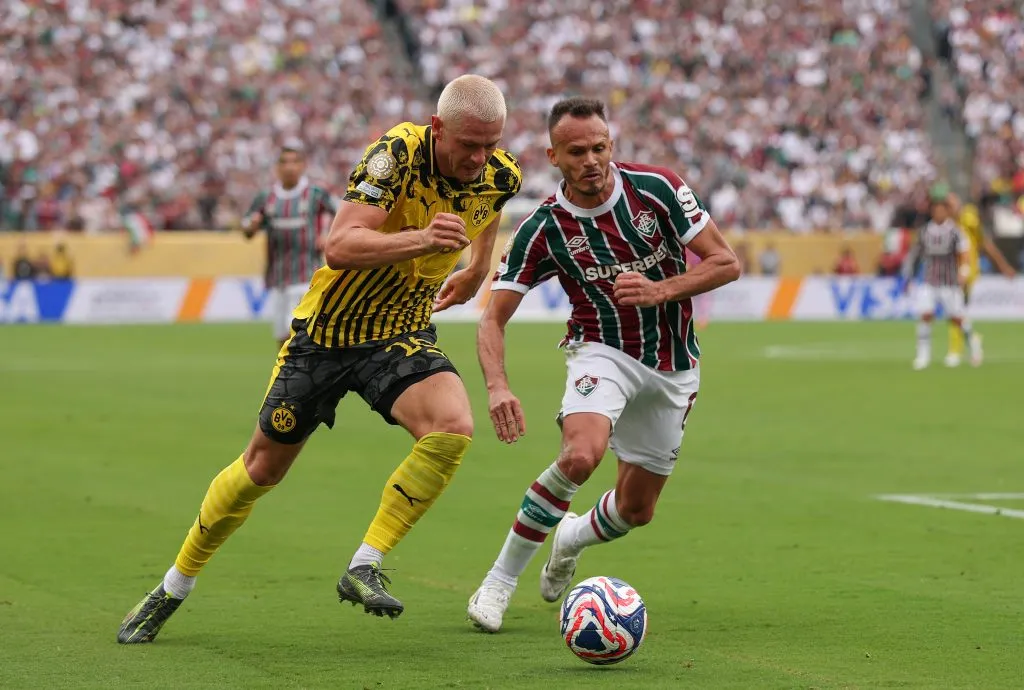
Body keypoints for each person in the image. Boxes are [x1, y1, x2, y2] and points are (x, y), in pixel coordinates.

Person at [117, 74, 522, 644]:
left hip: (399, 331)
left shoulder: (501, 173)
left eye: (490, 144)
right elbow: (340, 245)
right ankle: (172, 587)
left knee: (453, 425)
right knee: (261, 469)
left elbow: (491, 205)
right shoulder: (395, 156)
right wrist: (423, 241)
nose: (480, 159)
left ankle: (365, 562)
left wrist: (479, 265)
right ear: (437, 128)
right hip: (327, 334)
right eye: (468, 146)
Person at [465, 98, 740, 633]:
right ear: (554, 156)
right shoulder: (543, 228)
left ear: (610, 145)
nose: (591, 160)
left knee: (637, 510)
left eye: (599, 147)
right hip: (601, 350)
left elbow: (727, 262)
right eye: (577, 151)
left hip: (673, 364)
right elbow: (492, 319)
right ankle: (498, 582)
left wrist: (660, 289)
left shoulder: (657, 190)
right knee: (580, 457)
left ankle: (571, 536)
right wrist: (498, 386)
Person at [242, 140, 338, 348]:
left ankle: (300, 378)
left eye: (295, 161)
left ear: (303, 165)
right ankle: (288, 379)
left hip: (306, 275)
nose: (289, 167)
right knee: (281, 339)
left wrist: (327, 234)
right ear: (277, 167)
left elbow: (343, 213)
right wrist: (252, 226)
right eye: (284, 162)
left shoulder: (315, 194)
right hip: (277, 278)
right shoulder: (266, 197)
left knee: (297, 336)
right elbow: (247, 227)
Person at [902, 198, 980, 370]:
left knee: (956, 318)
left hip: (949, 282)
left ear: (946, 212)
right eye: (935, 210)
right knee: (925, 315)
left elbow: (964, 253)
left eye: (941, 210)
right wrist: (909, 278)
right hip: (929, 280)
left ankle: (974, 344)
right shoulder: (924, 231)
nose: (939, 213)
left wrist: (964, 271)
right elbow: (916, 255)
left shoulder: (955, 232)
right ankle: (923, 356)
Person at [944, 193, 1016, 367]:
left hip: (968, 270)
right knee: (955, 310)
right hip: (949, 271)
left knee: (955, 307)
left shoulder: (969, 219)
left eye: (951, 205)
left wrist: (1003, 266)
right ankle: (972, 340)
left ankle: (955, 351)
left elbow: (985, 243)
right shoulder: (946, 224)